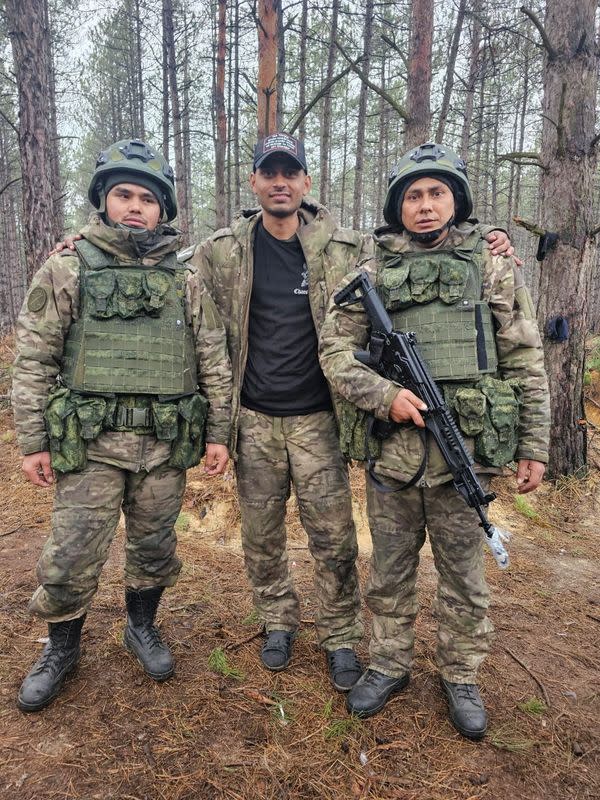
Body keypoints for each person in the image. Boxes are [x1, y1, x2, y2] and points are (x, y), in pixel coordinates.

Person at [319, 142, 550, 738]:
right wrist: (383, 396)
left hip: (465, 450)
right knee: (390, 572)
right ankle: (389, 662)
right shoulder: (370, 272)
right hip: (393, 455)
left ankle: (461, 674)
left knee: (463, 576)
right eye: (414, 196)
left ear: (456, 201)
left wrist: (534, 445)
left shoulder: (494, 265)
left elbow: (523, 356)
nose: (425, 206)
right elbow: (335, 354)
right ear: (399, 206)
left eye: (437, 193)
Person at [12, 139, 232, 712]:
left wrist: (219, 433)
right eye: (123, 195)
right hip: (92, 445)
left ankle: (141, 628)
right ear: (104, 201)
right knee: (72, 552)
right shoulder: (67, 265)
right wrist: (32, 440)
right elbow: (34, 357)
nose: (135, 207)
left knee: (155, 546)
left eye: (147, 199)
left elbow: (212, 357)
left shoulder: (184, 278)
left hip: (163, 442)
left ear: (164, 209)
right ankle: (62, 648)